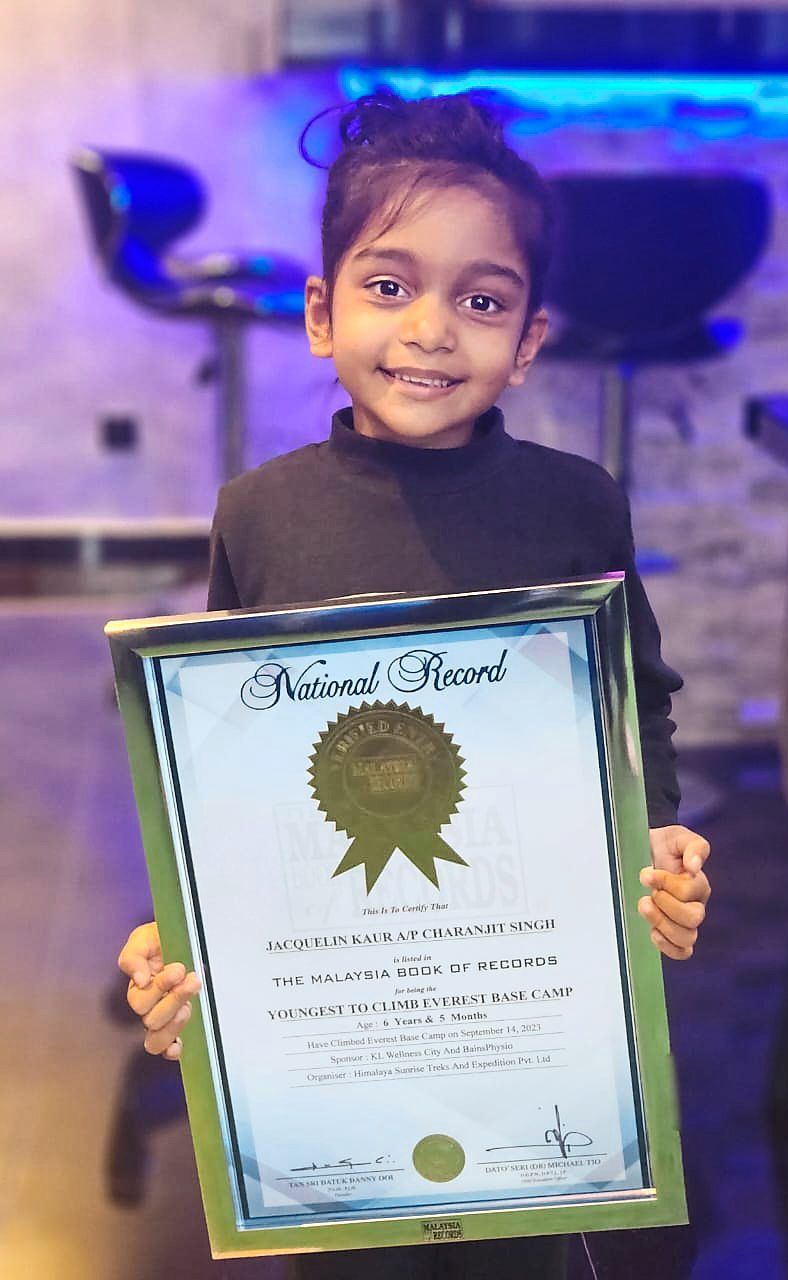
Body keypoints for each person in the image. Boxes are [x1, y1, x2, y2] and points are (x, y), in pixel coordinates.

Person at [118, 90, 712, 1279]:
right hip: (333, 1033)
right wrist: (179, 930)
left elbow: (633, 703)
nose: (433, 329)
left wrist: (663, 842)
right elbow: (218, 758)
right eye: (391, 287)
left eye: (481, 300)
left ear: (530, 338)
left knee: (524, 1250)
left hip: (522, 1012)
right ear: (322, 314)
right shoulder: (263, 513)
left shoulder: (576, 504)